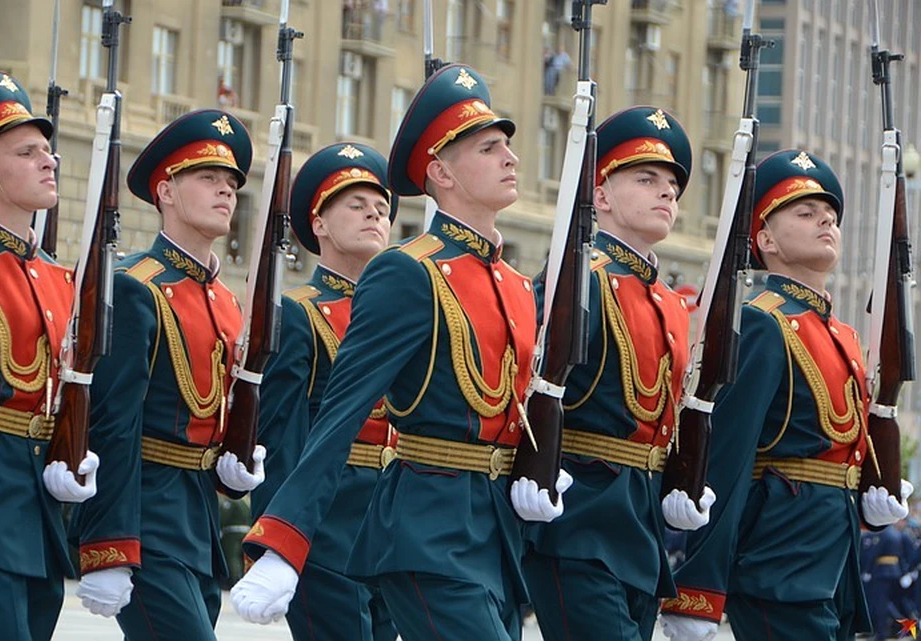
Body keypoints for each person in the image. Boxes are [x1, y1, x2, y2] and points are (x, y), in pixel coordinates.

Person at [231, 63, 571, 641]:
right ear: (441, 171)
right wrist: (284, 541)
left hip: (495, 535)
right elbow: (338, 415)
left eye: (508, 146)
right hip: (425, 532)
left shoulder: (516, 285)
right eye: (489, 148)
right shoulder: (406, 272)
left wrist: (537, 470)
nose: (511, 158)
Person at [661, 149, 914, 641]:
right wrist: (699, 589)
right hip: (780, 561)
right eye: (805, 212)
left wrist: (872, 491)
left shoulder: (842, 334)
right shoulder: (761, 321)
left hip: (832, 565)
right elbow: (728, 458)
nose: (825, 220)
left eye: (831, 216)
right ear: (765, 240)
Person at [70, 108, 266, 640]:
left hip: (197, 519)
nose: (226, 191)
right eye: (208, 179)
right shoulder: (136, 286)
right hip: (147, 519)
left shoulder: (228, 302)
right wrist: (108, 545)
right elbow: (114, 425)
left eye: (231, 183)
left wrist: (239, 457)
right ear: (166, 192)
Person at [522, 105, 713, 641]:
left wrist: (683, 481)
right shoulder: (576, 280)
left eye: (672, 183)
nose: (667, 192)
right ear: (600, 195)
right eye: (646, 178)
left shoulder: (672, 304)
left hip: (641, 526)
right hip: (578, 521)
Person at [0, 70, 98, 640]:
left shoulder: (62, 277)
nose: (49, 161)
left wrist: (76, 455)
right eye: (26, 151)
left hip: (38, 519)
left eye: (48, 149)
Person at [250, 141, 399, 641]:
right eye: (356, 206)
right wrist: (280, 542)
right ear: (319, 224)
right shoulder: (299, 314)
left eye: (381, 209)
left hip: (388, 528)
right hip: (327, 527)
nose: (373, 217)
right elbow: (281, 440)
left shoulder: (403, 315)